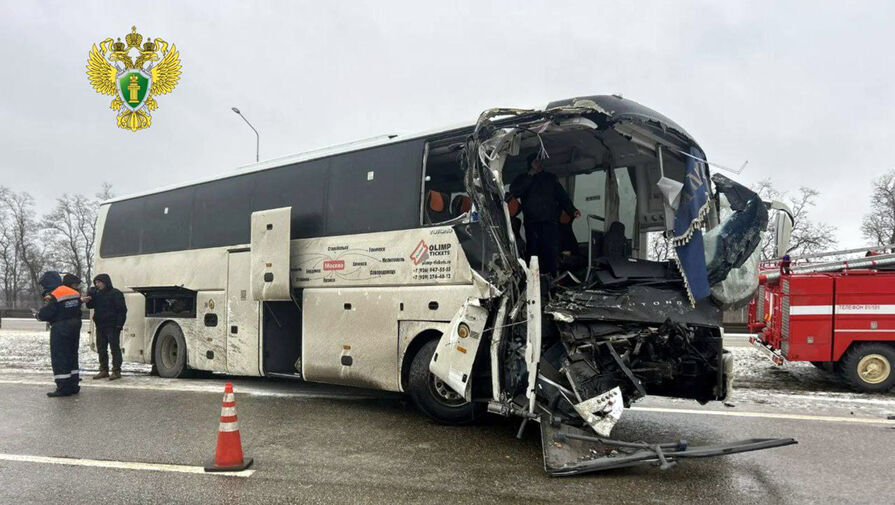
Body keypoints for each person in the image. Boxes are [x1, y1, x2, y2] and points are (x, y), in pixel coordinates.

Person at [508, 153, 580, 275]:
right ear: (530, 164)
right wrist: (529, 176)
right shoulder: (523, 178)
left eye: (540, 161)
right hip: (532, 223)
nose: (539, 163)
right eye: (535, 161)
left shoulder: (550, 178)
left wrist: (572, 210)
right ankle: (535, 280)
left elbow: (562, 196)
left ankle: (552, 279)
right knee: (534, 253)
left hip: (550, 222)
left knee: (551, 252)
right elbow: (514, 191)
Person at [35, 271, 83, 397]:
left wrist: (38, 315)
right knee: (72, 354)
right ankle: (73, 385)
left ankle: (63, 387)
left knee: (60, 356)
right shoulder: (73, 292)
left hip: (60, 327)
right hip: (75, 325)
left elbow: (48, 313)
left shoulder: (54, 295)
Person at [85, 273, 127, 380]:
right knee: (101, 348)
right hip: (100, 325)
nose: (97, 284)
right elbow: (90, 305)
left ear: (105, 282)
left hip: (112, 326)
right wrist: (90, 295)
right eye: (96, 283)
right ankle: (103, 370)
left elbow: (122, 310)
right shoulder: (97, 294)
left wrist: (119, 325)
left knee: (114, 348)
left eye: (99, 282)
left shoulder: (115, 293)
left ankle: (116, 371)